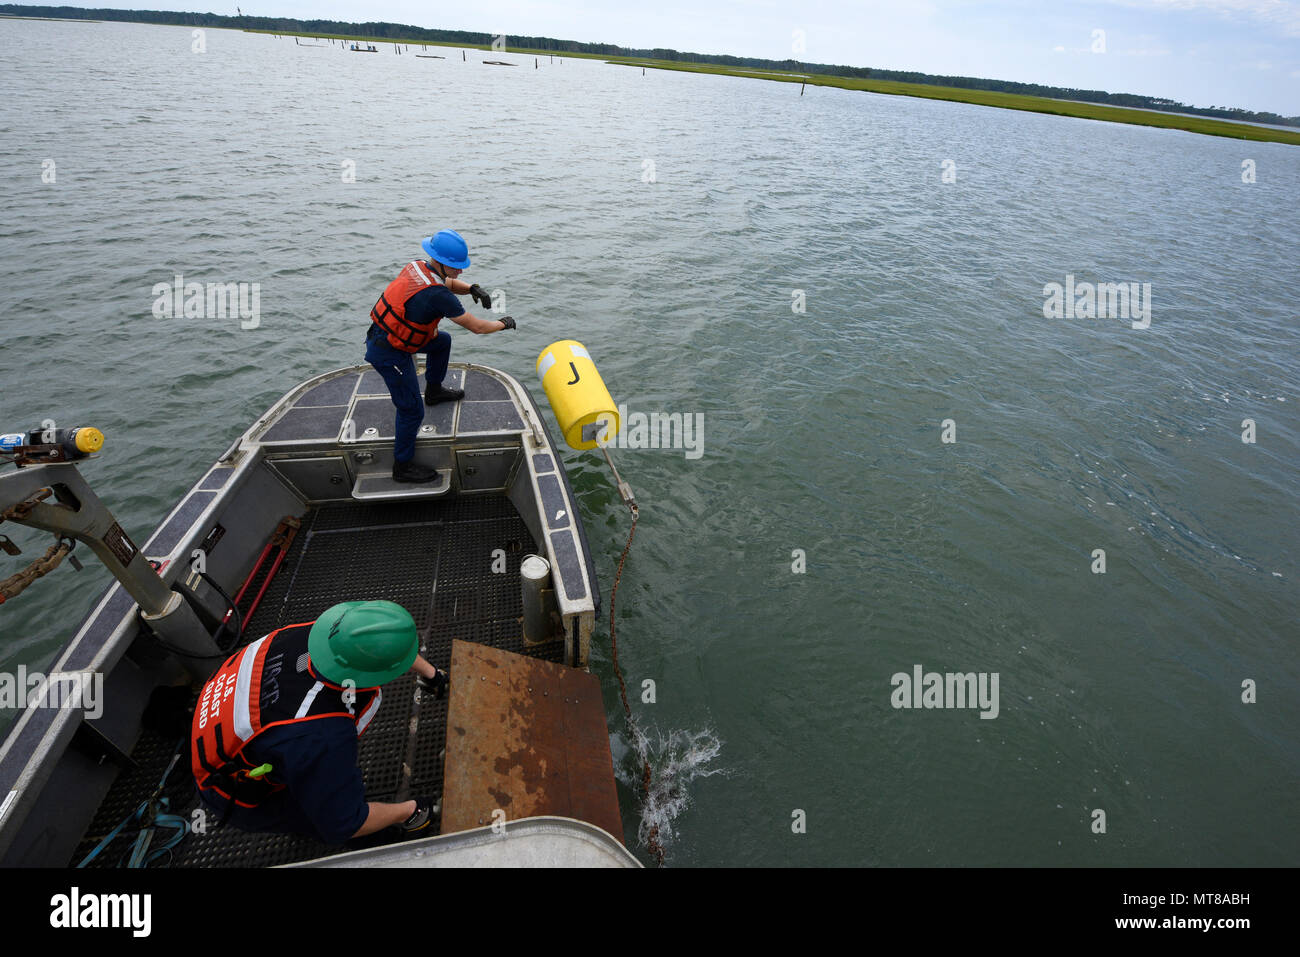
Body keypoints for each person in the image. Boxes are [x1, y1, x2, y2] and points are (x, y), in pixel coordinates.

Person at [191, 600, 449, 845]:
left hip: (219, 718)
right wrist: (410, 810)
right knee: (333, 823)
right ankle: (382, 840)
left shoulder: (322, 633)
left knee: (313, 778)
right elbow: (347, 824)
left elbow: (377, 649)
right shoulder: (321, 736)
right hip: (231, 787)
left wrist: (431, 674)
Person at [366, 229, 516, 484]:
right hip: (389, 352)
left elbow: (445, 282)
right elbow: (477, 327)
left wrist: (472, 289)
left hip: (390, 336)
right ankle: (402, 466)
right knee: (411, 409)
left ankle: (433, 391)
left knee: (441, 341)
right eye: (456, 267)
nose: (460, 271)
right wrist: (503, 323)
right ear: (440, 262)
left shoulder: (418, 267)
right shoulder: (438, 295)